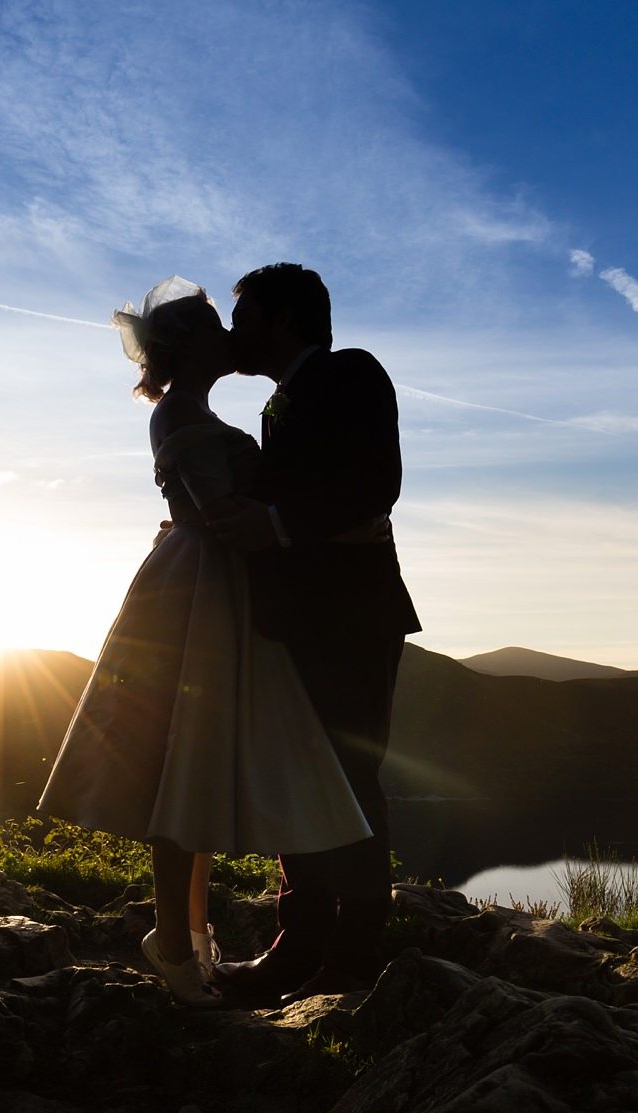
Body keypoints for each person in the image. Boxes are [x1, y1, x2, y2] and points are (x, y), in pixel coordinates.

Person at [37, 277, 372, 1006]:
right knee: (181, 759)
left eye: (240, 319)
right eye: (222, 324)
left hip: (225, 588)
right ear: (191, 343)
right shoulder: (183, 413)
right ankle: (177, 939)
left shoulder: (215, 405)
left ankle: (192, 933)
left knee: (200, 761)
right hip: (202, 593)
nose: (234, 336)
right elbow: (216, 509)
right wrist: (228, 518)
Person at [207, 262, 422, 1003]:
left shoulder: (351, 373)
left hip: (354, 619)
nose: (234, 334)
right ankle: (298, 943)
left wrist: (270, 523)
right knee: (296, 774)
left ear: (286, 321)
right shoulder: (277, 405)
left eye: (246, 318)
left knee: (349, 777)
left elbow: (375, 484)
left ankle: (355, 953)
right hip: (295, 620)